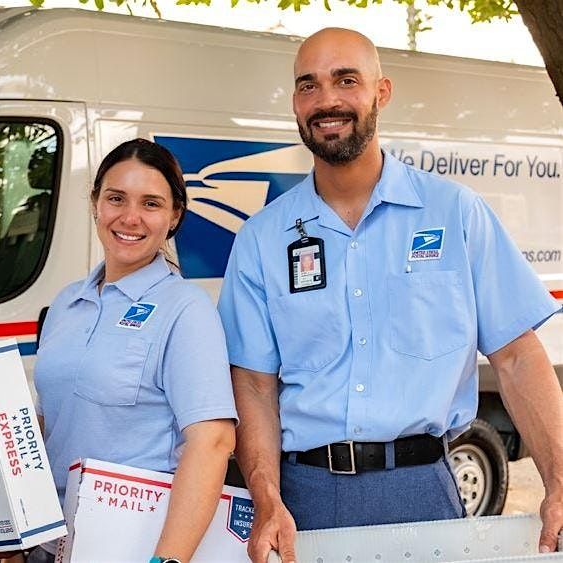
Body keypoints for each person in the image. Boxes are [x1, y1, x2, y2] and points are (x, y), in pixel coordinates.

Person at [217, 27, 563, 563]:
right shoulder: (262, 240)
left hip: (424, 490)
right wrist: (267, 498)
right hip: (302, 500)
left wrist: (559, 481)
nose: (326, 100)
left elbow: (516, 357)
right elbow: (255, 388)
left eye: (346, 80)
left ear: (382, 92)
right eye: (308, 85)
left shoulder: (455, 214)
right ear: (294, 102)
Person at [31, 139, 237, 563]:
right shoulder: (66, 304)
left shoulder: (186, 309)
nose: (130, 218)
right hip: (49, 545)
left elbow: (212, 441)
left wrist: (168, 560)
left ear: (175, 215)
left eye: (151, 204)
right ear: (95, 203)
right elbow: (50, 425)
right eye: (116, 198)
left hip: (132, 545)